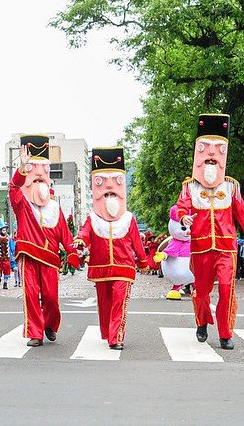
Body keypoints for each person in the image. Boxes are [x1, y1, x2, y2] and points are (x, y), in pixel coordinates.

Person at [176, 114, 244, 350]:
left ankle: (225, 333)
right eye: (206, 161)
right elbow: (181, 208)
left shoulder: (231, 187)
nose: (210, 165)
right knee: (201, 292)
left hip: (226, 249)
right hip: (200, 248)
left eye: (214, 162)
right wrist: (183, 217)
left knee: (228, 290)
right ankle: (201, 322)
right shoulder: (190, 187)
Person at [73, 148, 148, 350]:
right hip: (101, 267)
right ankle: (108, 332)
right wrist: (80, 241)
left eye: (112, 193)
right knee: (104, 303)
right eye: (105, 194)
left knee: (119, 302)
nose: (109, 197)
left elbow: (136, 242)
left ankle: (117, 337)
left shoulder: (128, 218)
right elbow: (85, 233)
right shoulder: (92, 218)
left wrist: (142, 261)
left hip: (124, 268)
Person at [9, 136, 78, 346]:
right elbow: (13, 188)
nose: (38, 184)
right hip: (28, 255)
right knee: (30, 294)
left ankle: (50, 324)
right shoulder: (22, 204)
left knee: (50, 297)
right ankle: (35, 333)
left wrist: (72, 252)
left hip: (49, 259)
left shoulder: (55, 208)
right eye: (35, 180)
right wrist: (22, 166)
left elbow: (65, 234)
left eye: (42, 180)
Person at [153, 205, 194, 300]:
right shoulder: (175, 241)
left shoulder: (196, 241)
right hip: (180, 266)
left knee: (196, 279)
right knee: (179, 280)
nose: (188, 232)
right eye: (184, 229)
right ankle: (176, 288)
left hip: (193, 265)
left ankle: (196, 290)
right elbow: (168, 251)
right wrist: (162, 255)